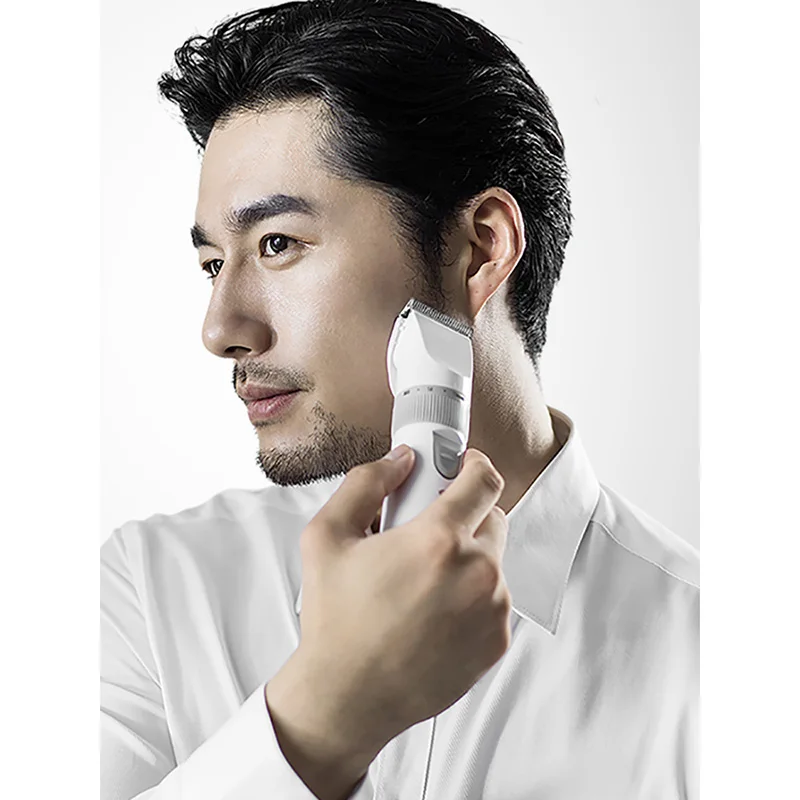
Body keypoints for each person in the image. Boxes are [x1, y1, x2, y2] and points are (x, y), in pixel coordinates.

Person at [100, 1, 699, 798]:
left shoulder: (717, 666)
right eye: (215, 265)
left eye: (278, 244)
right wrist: (322, 718)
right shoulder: (151, 590)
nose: (221, 330)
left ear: (479, 248)